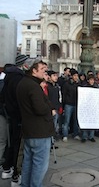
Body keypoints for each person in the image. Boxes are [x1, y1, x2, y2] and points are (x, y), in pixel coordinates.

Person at [16, 57, 55, 187]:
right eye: (42, 69)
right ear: (33, 70)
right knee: (40, 164)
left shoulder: (23, 83)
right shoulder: (33, 86)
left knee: (28, 161)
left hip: (29, 131)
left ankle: (25, 185)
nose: (46, 71)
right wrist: (51, 110)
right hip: (40, 132)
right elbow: (40, 108)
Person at [0, 54, 29, 187]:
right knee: (17, 145)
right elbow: (20, 100)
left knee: (9, 142)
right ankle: (16, 175)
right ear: (22, 65)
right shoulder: (19, 79)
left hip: (8, 114)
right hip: (17, 116)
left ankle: (7, 168)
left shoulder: (8, 77)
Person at [62, 69, 81, 142]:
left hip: (76, 104)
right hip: (68, 104)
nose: (76, 77)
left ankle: (75, 134)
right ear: (72, 76)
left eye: (77, 76)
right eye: (75, 75)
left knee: (76, 120)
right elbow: (64, 94)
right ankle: (65, 135)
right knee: (66, 120)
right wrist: (64, 103)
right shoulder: (67, 84)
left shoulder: (79, 84)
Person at [81, 74, 98, 143]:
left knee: (92, 122)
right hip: (86, 106)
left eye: (93, 80)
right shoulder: (84, 87)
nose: (92, 81)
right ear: (88, 80)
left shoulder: (96, 87)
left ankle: (91, 136)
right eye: (90, 80)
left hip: (93, 106)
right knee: (85, 122)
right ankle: (84, 136)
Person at [47, 70, 62, 136]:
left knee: (55, 124)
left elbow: (59, 97)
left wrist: (60, 106)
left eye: (56, 76)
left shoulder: (57, 86)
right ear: (49, 77)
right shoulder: (47, 86)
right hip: (50, 108)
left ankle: (53, 139)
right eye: (54, 76)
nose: (56, 77)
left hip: (56, 107)